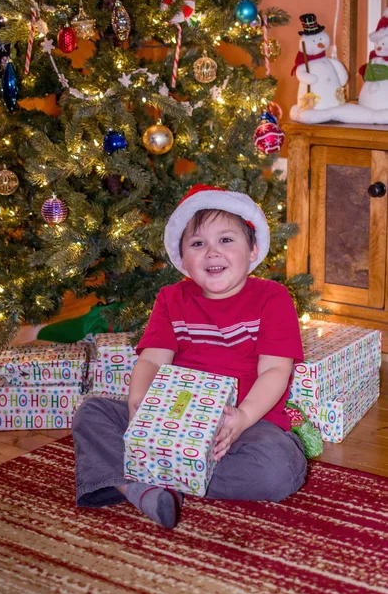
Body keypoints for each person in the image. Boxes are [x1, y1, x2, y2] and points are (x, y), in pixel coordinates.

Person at [72, 184, 307, 530]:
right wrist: (139, 401)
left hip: (246, 425)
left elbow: (274, 370)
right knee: (91, 412)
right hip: (174, 420)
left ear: (253, 249)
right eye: (198, 244)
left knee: (282, 467)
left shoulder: (272, 297)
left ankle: (146, 479)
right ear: (182, 258)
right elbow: (152, 360)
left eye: (226, 240)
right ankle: (143, 484)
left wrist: (241, 418)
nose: (212, 252)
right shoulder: (171, 298)